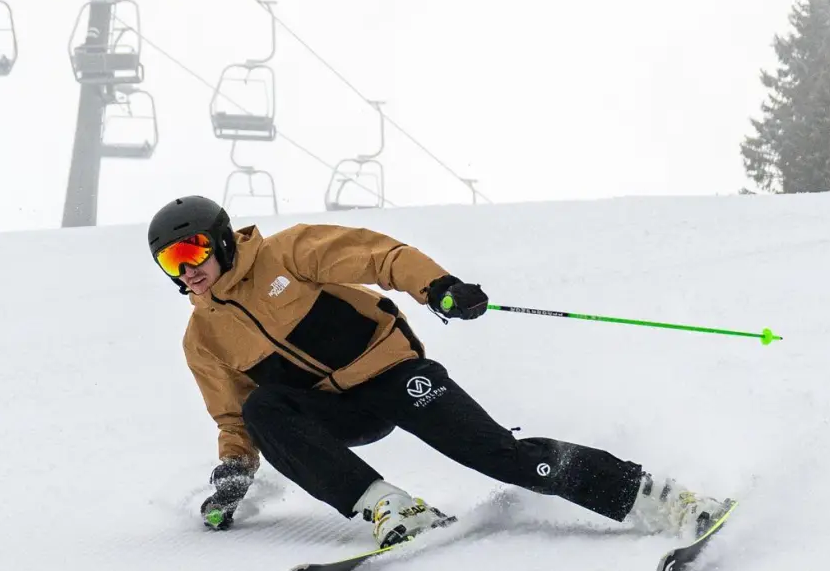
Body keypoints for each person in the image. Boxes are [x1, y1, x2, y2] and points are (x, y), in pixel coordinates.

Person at [147, 195, 730, 548]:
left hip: (393, 373)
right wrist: (234, 470)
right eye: (172, 260)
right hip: (336, 412)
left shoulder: (287, 251)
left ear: (222, 239)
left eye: (193, 249)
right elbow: (233, 416)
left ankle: (663, 500)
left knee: (499, 455)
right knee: (261, 408)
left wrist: (438, 287)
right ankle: (389, 508)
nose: (187, 268)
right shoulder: (204, 338)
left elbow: (379, 255)